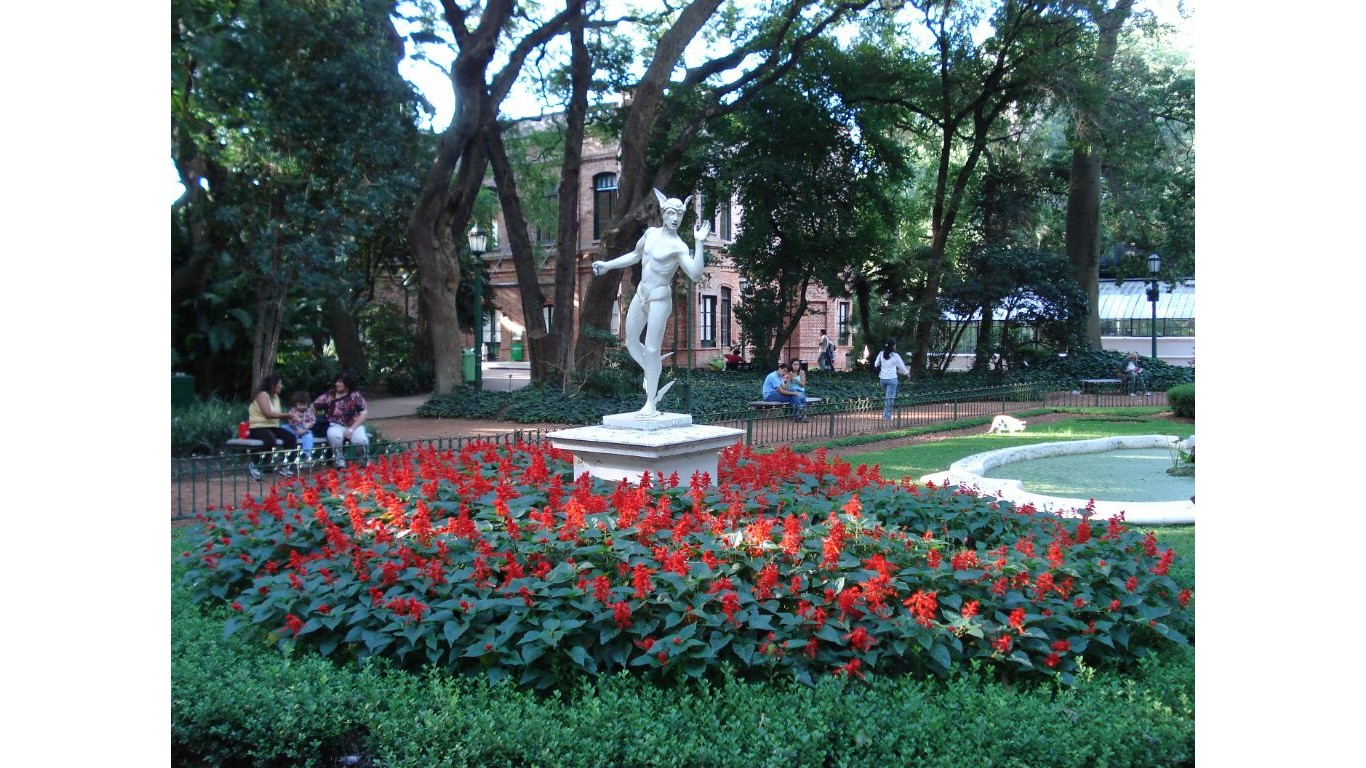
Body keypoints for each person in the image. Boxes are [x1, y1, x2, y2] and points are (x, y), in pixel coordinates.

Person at [591, 189, 710, 417]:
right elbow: (635, 256)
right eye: (671, 213)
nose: (675, 219)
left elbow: (695, 274)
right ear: (663, 213)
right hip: (641, 294)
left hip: (659, 299)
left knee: (653, 348)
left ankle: (650, 402)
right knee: (630, 342)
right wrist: (607, 265)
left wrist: (699, 243)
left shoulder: (679, 247)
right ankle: (652, 369)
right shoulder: (651, 234)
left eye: (679, 215)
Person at [246, 374, 297, 480]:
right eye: (280, 384)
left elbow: (276, 414)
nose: (281, 386)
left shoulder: (276, 397)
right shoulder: (262, 395)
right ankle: (255, 465)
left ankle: (287, 466)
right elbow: (268, 413)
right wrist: (286, 415)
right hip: (257, 427)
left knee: (291, 438)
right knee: (270, 440)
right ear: (272, 385)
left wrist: (290, 418)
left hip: (272, 427)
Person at [314, 373, 369, 468]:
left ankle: (363, 461)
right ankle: (339, 462)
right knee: (334, 436)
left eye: (340, 382)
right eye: (336, 381)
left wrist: (351, 429)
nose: (336, 384)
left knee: (362, 440)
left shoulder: (355, 395)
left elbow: (364, 413)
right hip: (335, 424)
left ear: (347, 383)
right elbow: (314, 406)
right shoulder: (330, 394)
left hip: (354, 425)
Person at [875, 339, 910, 420]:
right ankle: (887, 416)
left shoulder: (881, 353)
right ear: (893, 346)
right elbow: (901, 366)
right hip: (892, 379)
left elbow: (876, 364)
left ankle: (886, 413)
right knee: (889, 398)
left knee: (887, 397)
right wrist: (907, 373)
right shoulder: (895, 355)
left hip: (882, 379)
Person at [284, 390, 317, 463]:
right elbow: (290, 421)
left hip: (304, 429)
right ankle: (291, 453)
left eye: (304, 404)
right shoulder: (293, 410)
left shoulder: (309, 411)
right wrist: (296, 429)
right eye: (300, 404)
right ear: (295, 404)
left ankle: (307, 454)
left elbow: (313, 421)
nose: (302, 407)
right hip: (294, 428)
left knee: (308, 437)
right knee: (284, 428)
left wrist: (308, 425)